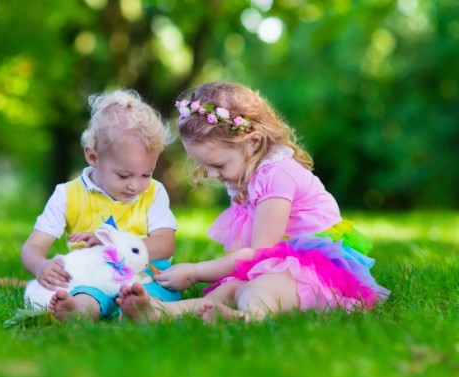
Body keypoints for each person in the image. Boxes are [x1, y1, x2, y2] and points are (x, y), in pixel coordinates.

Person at [117, 81, 390, 322]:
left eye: (218, 164)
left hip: (314, 268)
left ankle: (249, 317)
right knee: (229, 289)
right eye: (204, 165)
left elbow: (261, 252)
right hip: (276, 264)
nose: (211, 174)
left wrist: (196, 272)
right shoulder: (245, 176)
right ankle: (158, 312)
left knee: (259, 289)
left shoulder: (278, 177)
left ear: (253, 143)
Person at [21, 88, 180, 321]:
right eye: (124, 175)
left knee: (163, 287)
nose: (135, 186)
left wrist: (118, 247)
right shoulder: (68, 195)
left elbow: (166, 244)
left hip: (144, 274)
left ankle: (144, 307)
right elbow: (33, 247)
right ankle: (79, 310)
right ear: (93, 157)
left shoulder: (154, 192)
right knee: (85, 294)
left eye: (146, 174)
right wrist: (40, 266)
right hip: (94, 277)